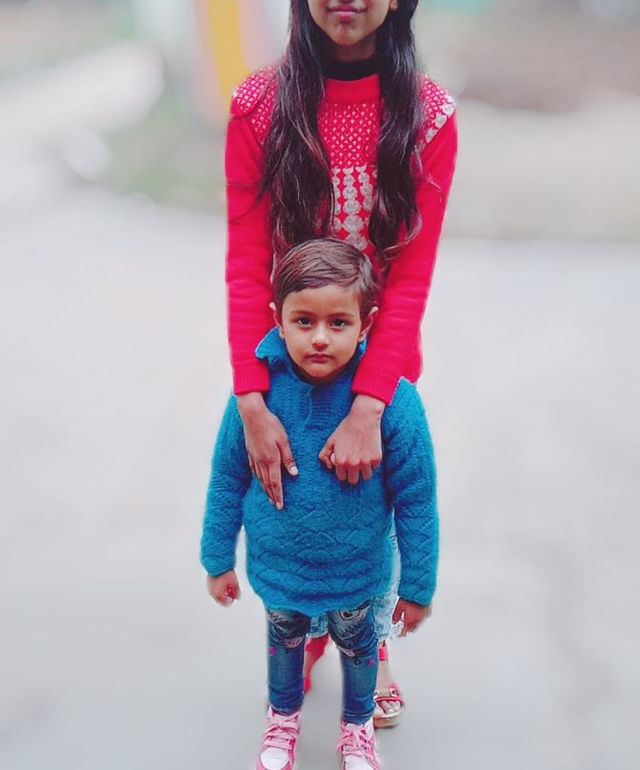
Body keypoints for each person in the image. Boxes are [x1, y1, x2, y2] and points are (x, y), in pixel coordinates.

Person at [224, 0, 457, 726]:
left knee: (367, 507)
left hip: (380, 364)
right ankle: (303, 628)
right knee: (290, 496)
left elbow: (411, 277)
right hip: (286, 359)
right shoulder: (258, 106)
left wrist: (370, 403)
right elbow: (246, 262)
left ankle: (369, 640)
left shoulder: (428, 116)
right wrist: (251, 397)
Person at [202, 239, 439, 770]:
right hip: (280, 572)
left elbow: (416, 500)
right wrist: (217, 561)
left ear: (366, 323)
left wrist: (416, 587)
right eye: (304, 321)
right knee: (283, 646)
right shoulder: (257, 399)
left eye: (338, 322)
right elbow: (227, 479)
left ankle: (357, 729)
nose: (319, 338)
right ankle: (283, 720)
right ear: (278, 319)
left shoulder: (395, 403)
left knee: (359, 651)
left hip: (357, 575)